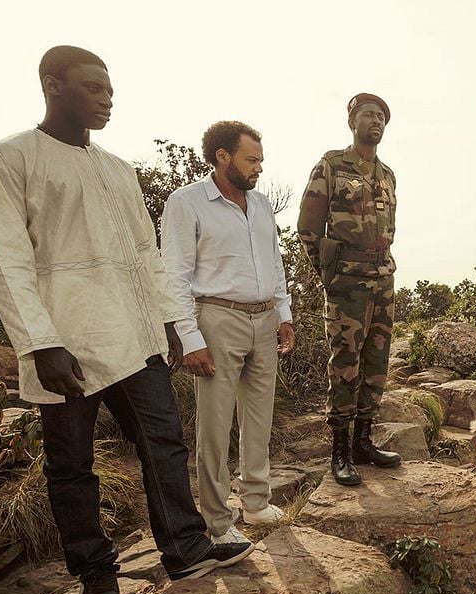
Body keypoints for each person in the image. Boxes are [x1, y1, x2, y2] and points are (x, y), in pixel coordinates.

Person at [0, 46, 251, 594]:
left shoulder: (119, 170)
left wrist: (172, 321)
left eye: (110, 88)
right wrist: (38, 342)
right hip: (63, 339)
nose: (108, 97)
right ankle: (96, 574)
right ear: (53, 86)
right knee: (72, 465)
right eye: (93, 87)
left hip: (135, 332)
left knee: (164, 444)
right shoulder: (7, 159)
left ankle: (186, 547)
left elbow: (148, 257)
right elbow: (3, 257)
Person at [160, 121, 294, 544]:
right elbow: (174, 273)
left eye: (260, 160)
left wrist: (284, 311)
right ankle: (218, 522)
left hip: (264, 318)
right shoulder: (187, 202)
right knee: (214, 426)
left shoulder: (261, 205)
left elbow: (275, 261)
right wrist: (189, 337)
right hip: (217, 319)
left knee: (259, 416)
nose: (258, 168)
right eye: (250, 159)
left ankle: (255, 503)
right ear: (222, 156)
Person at [297, 93, 402, 486]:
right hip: (347, 284)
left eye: (381, 117)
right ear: (352, 121)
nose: (375, 121)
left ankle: (364, 441)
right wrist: (331, 275)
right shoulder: (332, 165)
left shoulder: (388, 174)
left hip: (383, 279)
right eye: (368, 115)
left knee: (376, 364)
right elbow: (308, 228)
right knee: (345, 365)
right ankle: (339, 451)